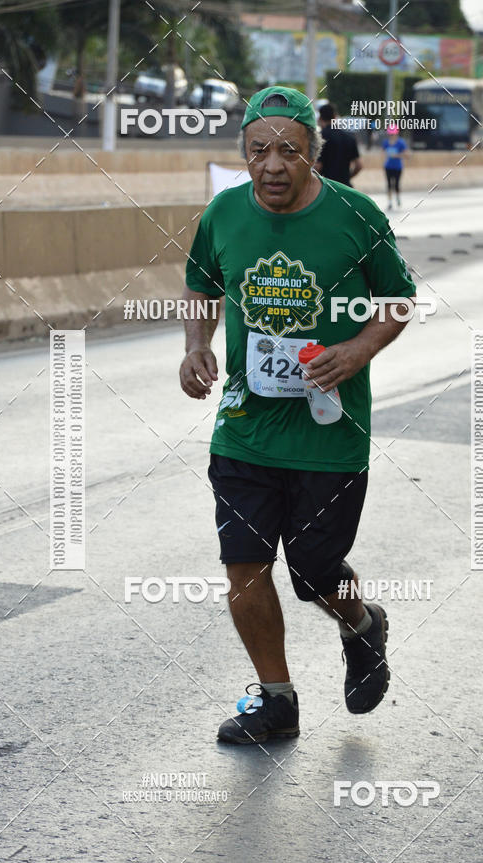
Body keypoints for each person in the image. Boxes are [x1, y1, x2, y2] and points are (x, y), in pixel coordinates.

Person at [180, 85, 416, 745]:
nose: (273, 165)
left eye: (289, 149)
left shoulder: (355, 215)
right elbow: (200, 284)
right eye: (259, 151)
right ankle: (276, 700)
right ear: (244, 155)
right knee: (243, 565)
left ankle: (361, 624)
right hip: (244, 431)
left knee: (314, 572)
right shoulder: (223, 213)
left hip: (328, 437)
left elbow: (397, 299)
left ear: (313, 151)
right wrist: (197, 348)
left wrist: (356, 350)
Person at [316, 102, 362, 186]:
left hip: (327, 188)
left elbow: (318, 167)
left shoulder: (320, 137)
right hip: (345, 187)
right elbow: (359, 166)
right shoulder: (349, 137)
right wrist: (348, 177)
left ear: (320, 118)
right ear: (334, 117)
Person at [382, 124, 408, 210]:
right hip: (388, 166)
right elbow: (383, 152)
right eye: (390, 134)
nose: (392, 135)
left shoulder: (401, 142)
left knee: (396, 184)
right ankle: (389, 202)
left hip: (398, 167)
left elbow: (406, 154)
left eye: (393, 133)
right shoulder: (386, 142)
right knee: (389, 184)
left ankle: (397, 198)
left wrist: (397, 155)